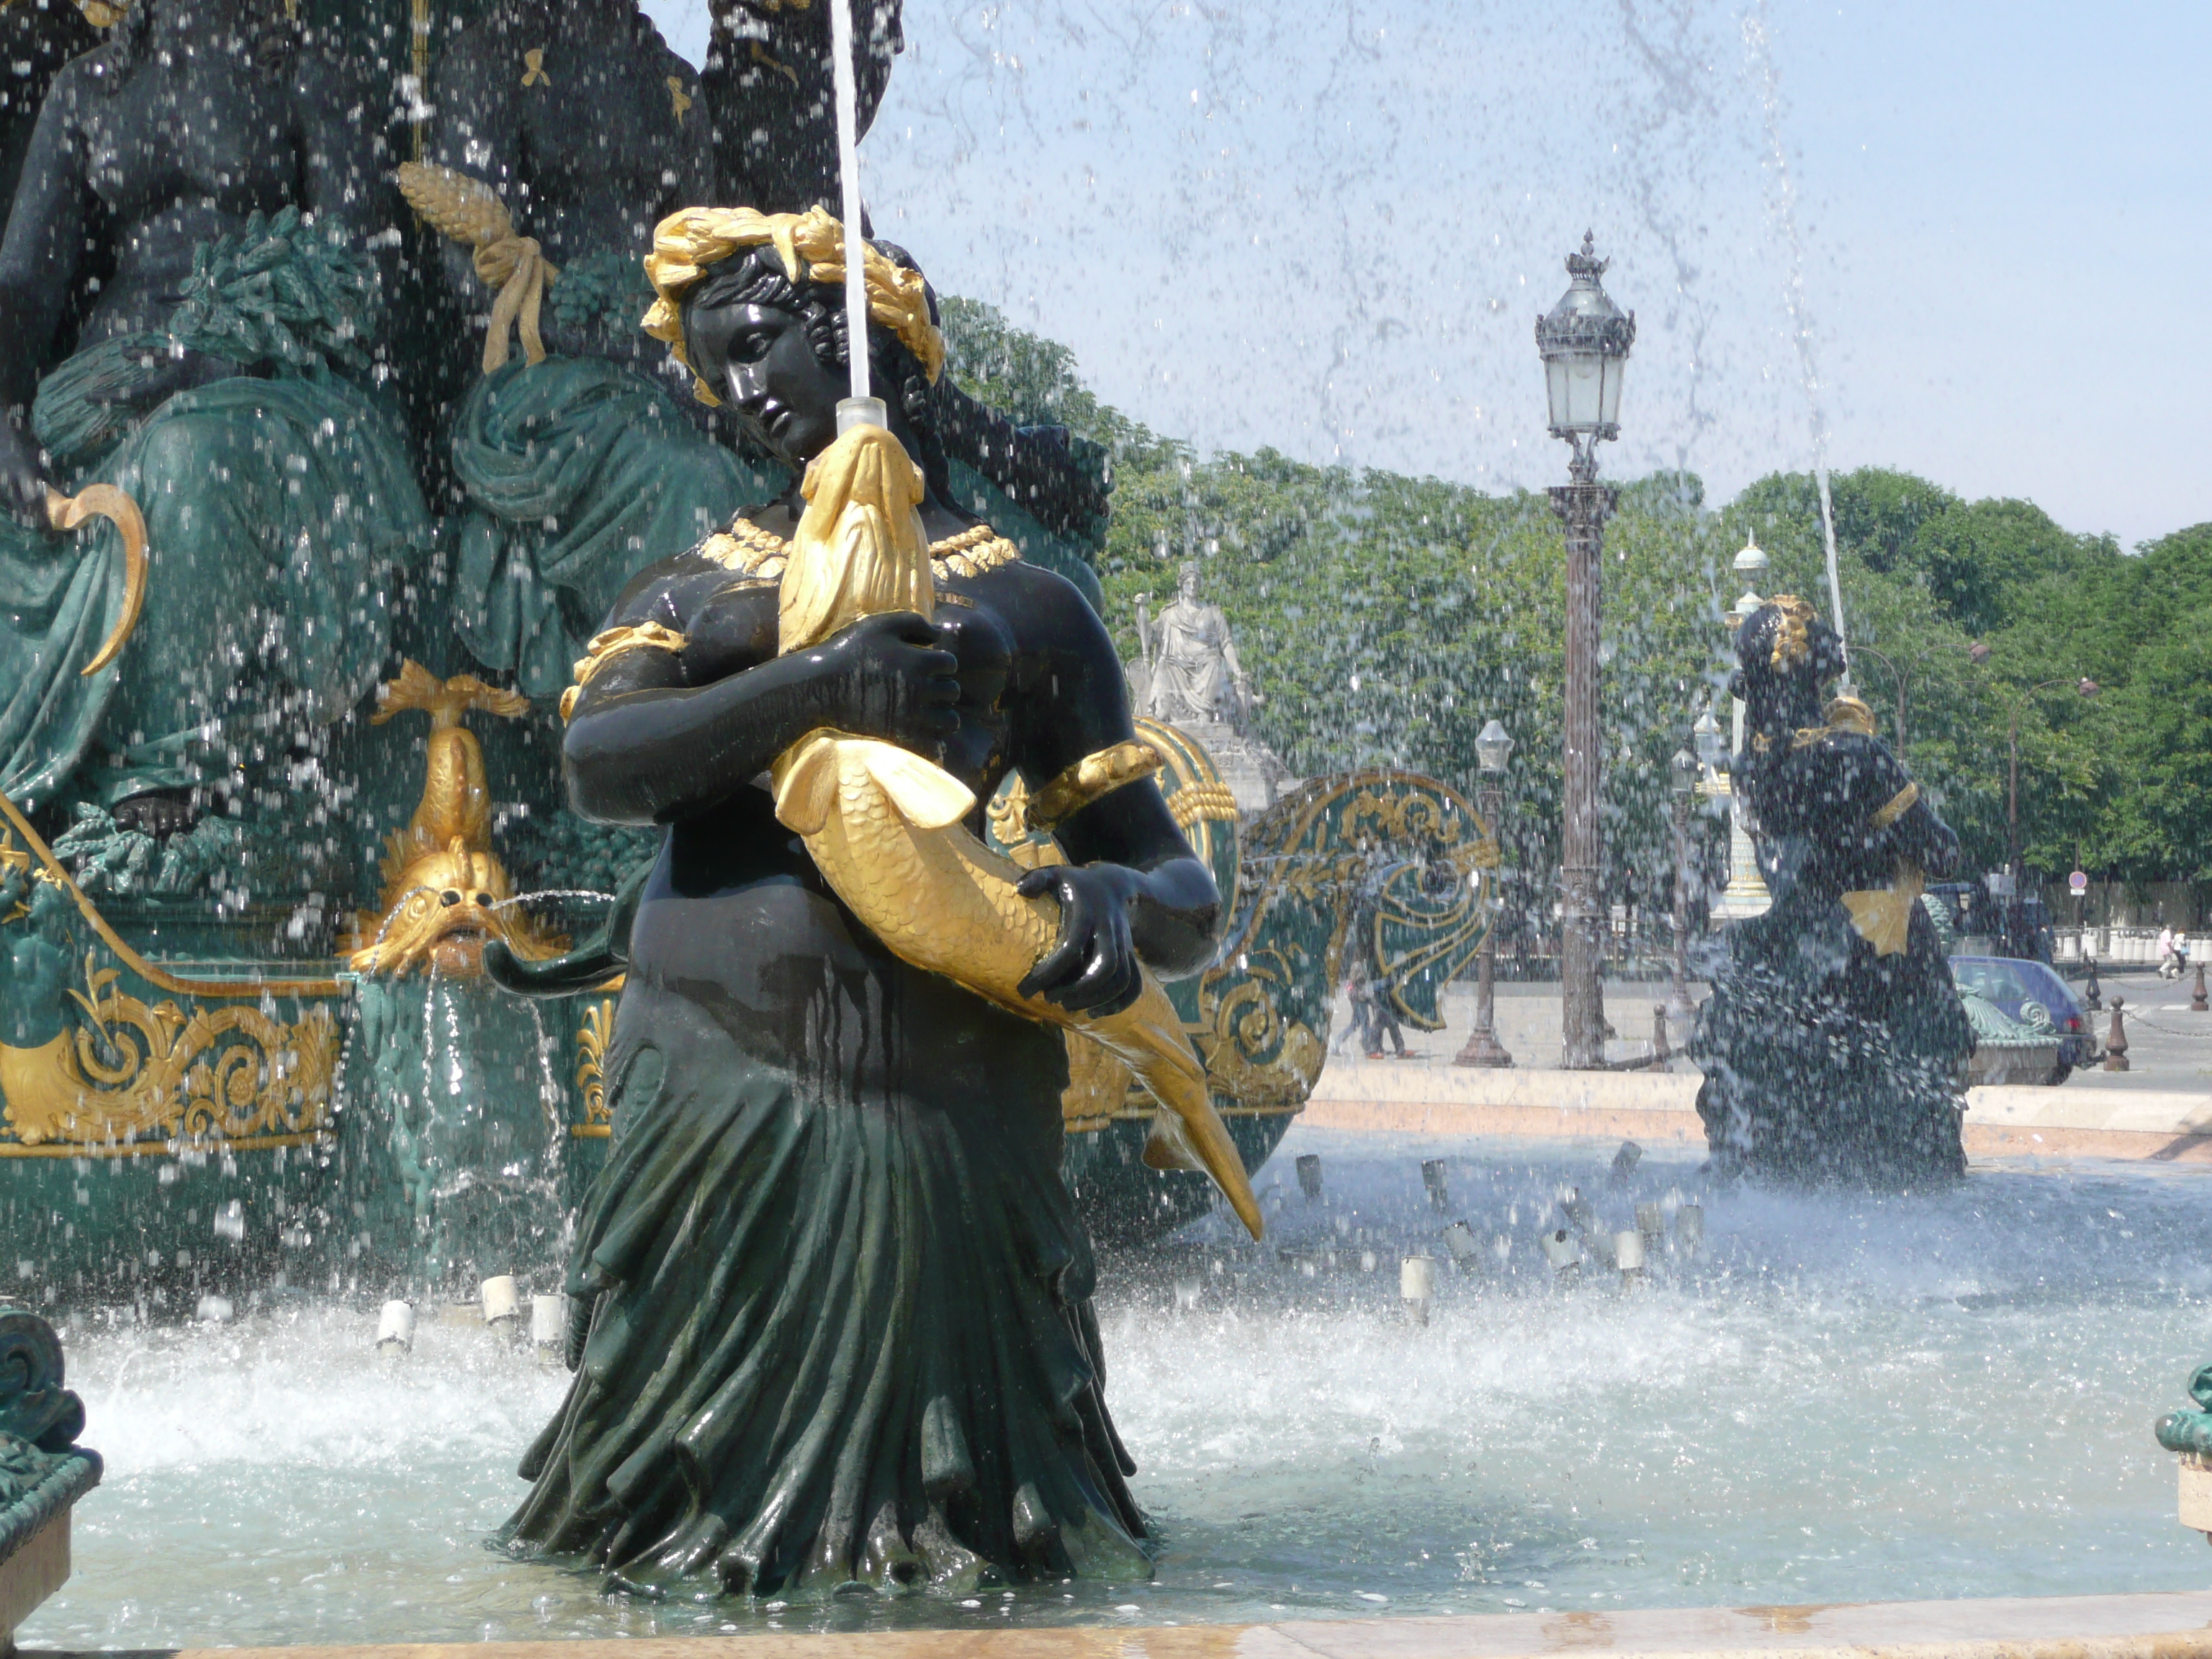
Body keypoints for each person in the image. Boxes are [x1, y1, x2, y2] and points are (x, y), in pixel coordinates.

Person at [494, 206, 1224, 1596]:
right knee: (670, 1530)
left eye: (761, 344)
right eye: (717, 371)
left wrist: (1118, 902)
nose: (744, 392)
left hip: (950, 1120)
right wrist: (811, 683)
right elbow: (596, 762)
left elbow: (1182, 886)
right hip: (721, 1108)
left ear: (870, 334)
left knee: (974, 1537)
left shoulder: (1033, 605)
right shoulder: (700, 585)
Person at [0, 0, 428, 834]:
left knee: (191, 455)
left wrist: (215, 350)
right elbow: (20, 286)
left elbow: (357, 270)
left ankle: (171, 757)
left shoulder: (308, 71)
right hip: (106, 385)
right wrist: (3, 415)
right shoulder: (88, 88)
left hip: (270, 374)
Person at [422, 0, 780, 701]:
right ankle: (651, 728)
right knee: (689, 478)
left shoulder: (672, 83)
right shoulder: (492, 54)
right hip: (538, 372)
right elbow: (470, 276)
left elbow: (701, 264)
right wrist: (606, 333)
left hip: (661, 372)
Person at [1689, 598, 1972, 1184]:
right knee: (1936, 1035)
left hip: (1798, 945)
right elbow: (1942, 853)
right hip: (1876, 944)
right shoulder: (1858, 757)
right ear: (1813, 666)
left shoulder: (1749, 772)